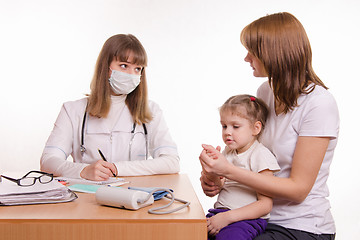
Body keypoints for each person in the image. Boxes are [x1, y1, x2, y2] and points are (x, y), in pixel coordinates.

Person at [199, 12, 339, 240]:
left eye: (252, 52)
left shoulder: (319, 103)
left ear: (274, 54)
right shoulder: (266, 91)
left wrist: (229, 170)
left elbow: (298, 189)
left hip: (300, 226)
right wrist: (215, 179)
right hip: (257, 216)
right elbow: (252, 155)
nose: (246, 58)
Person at [41, 34, 179, 181]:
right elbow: (48, 161)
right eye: (124, 66)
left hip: (134, 196)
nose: (132, 75)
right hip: (86, 198)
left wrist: (118, 168)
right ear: (106, 66)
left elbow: (172, 162)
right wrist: (83, 171)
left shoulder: (151, 111)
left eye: (137, 69)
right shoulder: (73, 110)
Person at [203, 94, 280, 240]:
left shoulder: (260, 155)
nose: (227, 132)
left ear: (256, 128)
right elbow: (219, 186)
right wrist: (210, 171)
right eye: (224, 126)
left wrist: (227, 218)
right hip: (220, 213)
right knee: (188, 231)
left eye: (235, 126)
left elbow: (265, 205)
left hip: (246, 220)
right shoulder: (228, 153)